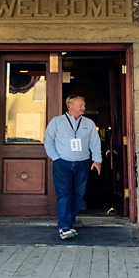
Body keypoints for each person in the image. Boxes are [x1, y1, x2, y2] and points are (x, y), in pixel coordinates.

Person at [43, 94, 101, 240]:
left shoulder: (89, 123)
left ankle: (69, 222)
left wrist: (97, 160)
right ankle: (63, 227)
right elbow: (48, 141)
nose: (84, 108)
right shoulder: (57, 122)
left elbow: (95, 142)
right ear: (70, 106)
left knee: (78, 195)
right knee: (64, 194)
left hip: (82, 163)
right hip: (62, 163)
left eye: (84, 105)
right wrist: (56, 159)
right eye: (81, 105)